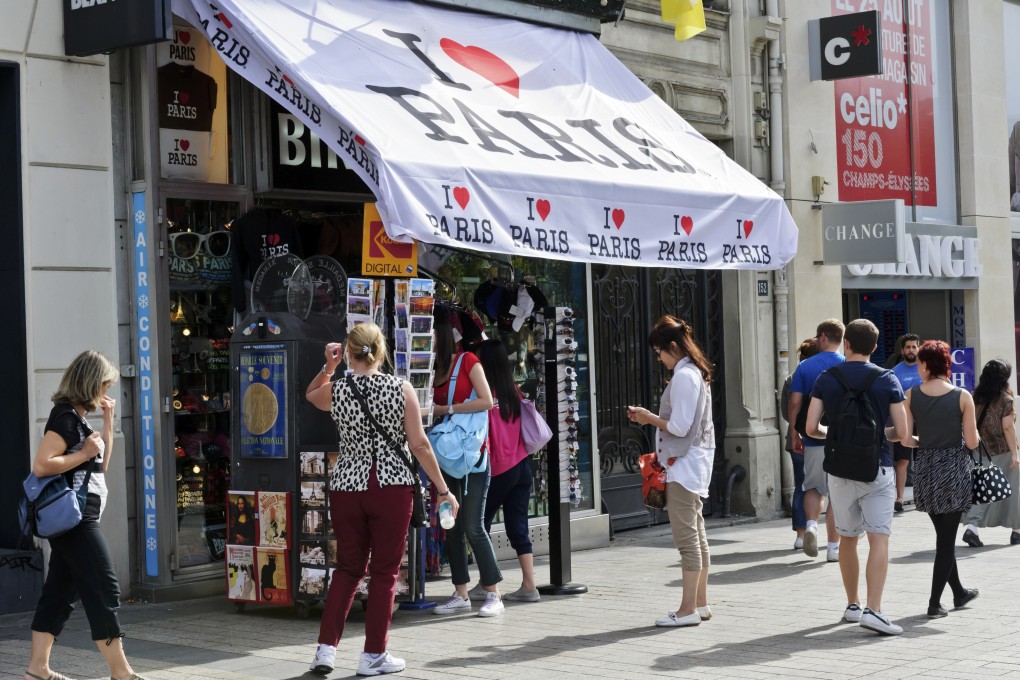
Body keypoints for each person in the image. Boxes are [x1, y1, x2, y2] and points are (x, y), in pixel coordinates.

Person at [305, 322, 458, 676]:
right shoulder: (400, 388)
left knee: (347, 569)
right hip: (391, 487)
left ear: (348, 350)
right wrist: (443, 489)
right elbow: (418, 445)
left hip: (346, 487)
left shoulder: (338, 390)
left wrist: (329, 366)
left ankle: (325, 651)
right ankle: (373, 654)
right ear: (382, 349)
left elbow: (313, 394)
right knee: (385, 573)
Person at [24, 350, 147, 680]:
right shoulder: (64, 418)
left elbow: (101, 466)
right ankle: (120, 672)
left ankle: (38, 669)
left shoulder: (78, 419)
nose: (106, 392)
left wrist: (108, 421)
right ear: (91, 382)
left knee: (60, 594)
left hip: (78, 522)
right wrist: (83, 453)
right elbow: (42, 464)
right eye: (105, 385)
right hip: (77, 523)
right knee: (104, 589)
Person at [806, 319, 908, 636]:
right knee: (878, 537)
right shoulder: (887, 379)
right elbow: (902, 433)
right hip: (876, 467)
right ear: (875, 348)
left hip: (839, 471)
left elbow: (810, 428)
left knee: (847, 539)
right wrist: (880, 435)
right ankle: (874, 611)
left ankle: (852, 604)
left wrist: (835, 435)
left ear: (845, 344)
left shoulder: (827, 378)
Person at [626, 315, 715, 628]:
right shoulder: (695, 373)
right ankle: (699, 604)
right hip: (694, 462)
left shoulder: (684, 377)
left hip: (684, 464)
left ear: (673, 347)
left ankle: (687, 608)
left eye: (660, 351)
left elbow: (678, 426)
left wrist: (649, 418)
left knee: (686, 539)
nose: (659, 358)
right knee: (697, 534)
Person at [430, 319, 503, 617]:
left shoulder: (468, 361)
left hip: (473, 457)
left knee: (473, 525)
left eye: (431, 333)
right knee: (451, 526)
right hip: (445, 457)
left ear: (443, 336)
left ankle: (493, 593)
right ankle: (461, 592)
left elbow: (487, 401)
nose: (426, 339)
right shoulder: (431, 370)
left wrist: (447, 409)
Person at [903, 340, 980, 618]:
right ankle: (934, 604)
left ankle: (959, 593)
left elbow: (905, 438)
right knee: (946, 542)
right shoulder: (962, 396)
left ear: (924, 364)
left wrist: (928, 440)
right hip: (954, 470)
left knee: (943, 536)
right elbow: (971, 441)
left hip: (925, 469)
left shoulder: (911, 394)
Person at [468, 339, 540, 603]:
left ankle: (487, 583)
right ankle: (530, 586)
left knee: (478, 524)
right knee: (518, 526)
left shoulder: (483, 396)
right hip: (522, 467)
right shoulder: (514, 391)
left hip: (499, 469)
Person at [788, 318, 845, 561]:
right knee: (837, 495)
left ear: (822, 337)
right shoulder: (848, 364)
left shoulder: (806, 367)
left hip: (813, 437)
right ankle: (833, 549)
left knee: (812, 487)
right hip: (842, 439)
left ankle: (811, 525)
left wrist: (794, 432)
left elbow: (795, 402)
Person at [961, 359, 1020, 547]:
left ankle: (972, 528)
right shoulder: (1005, 399)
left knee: (983, 488)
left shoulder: (974, 396)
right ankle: (1017, 532)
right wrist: (1015, 453)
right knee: (1014, 491)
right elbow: (1008, 428)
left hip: (979, 450)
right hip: (1002, 451)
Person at [780, 337, 820, 550]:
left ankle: (800, 533)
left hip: (796, 437)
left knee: (801, 486)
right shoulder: (823, 376)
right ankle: (835, 535)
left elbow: (786, 413)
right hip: (821, 437)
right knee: (827, 485)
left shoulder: (791, 379)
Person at [890, 334, 922, 512]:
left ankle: (921, 495)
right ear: (902, 350)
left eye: (914, 347)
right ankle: (900, 499)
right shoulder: (895, 372)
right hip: (903, 421)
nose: (911, 350)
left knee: (924, 458)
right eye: (908, 347)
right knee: (902, 460)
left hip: (924, 421)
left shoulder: (925, 369)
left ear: (918, 348)